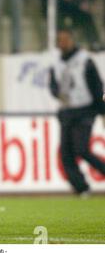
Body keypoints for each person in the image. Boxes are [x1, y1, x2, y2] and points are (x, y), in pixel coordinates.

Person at [49, 29, 105, 195]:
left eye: (66, 39)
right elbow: (53, 86)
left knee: (81, 149)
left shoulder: (85, 60)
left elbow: (96, 86)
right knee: (66, 153)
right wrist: (58, 93)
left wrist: (102, 111)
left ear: (72, 40)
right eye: (60, 40)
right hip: (67, 111)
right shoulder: (56, 63)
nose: (63, 43)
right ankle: (81, 188)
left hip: (85, 110)